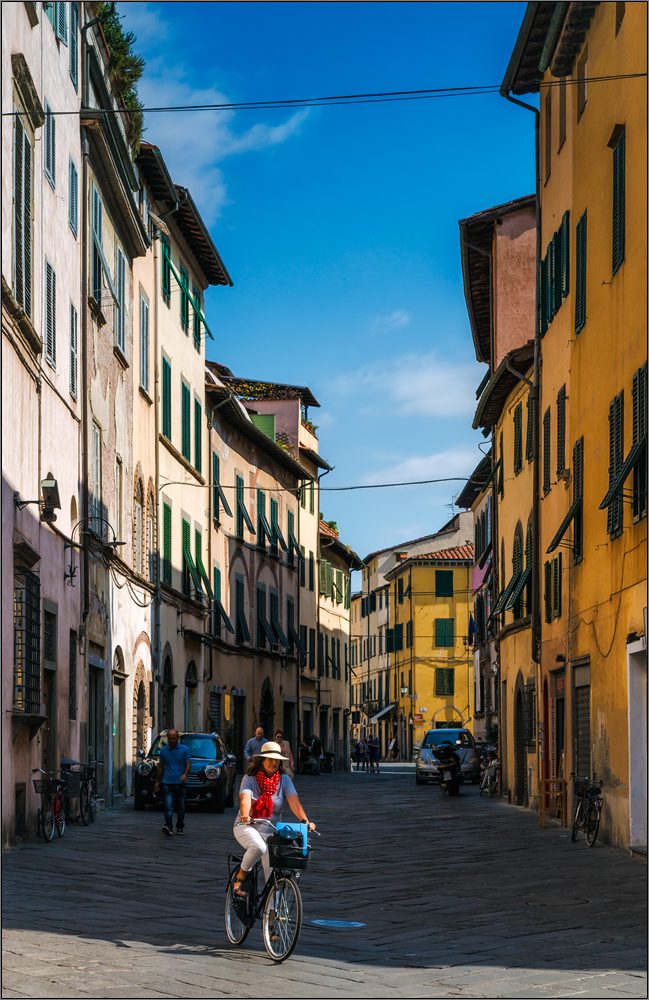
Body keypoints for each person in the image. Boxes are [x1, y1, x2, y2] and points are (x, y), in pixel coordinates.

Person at [232, 741, 315, 901]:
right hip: (247, 826)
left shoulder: (284, 780)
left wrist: (305, 820)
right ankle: (240, 876)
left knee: (274, 875)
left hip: (271, 831)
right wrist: (244, 814)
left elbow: (294, 803)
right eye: (270, 758)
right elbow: (245, 801)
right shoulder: (249, 779)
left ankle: (271, 917)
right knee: (258, 847)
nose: (274, 762)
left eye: (277, 759)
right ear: (261, 760)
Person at [154, 729, 191, 836]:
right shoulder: (164, 751)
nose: (172, 740)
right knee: (168, 806)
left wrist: (185, 774)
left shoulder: (184, 749)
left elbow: (188, 763)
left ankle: (180, 826)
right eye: (170, 738)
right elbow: (160, 767)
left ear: (178, 738)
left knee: (181, 806)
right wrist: (157, 782)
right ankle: (168, 826)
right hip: (167, 783)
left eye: (174, 738)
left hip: (180, 784)